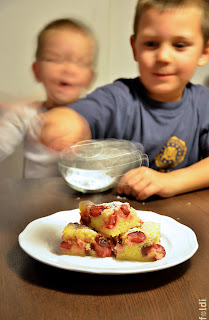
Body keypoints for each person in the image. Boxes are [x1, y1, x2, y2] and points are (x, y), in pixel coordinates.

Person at [40, 0, 209, 201]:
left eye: (180, 45)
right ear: (134, 47)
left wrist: (172, 181)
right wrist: (62, 123)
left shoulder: (204, 103)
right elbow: (73, 116)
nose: (163, 56)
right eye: (151, 44)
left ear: (204, 52)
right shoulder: (118, 97)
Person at [0, 18, 96, 178]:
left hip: (84, 201)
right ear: (37, 71)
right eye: (54, 59)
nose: (68, 69)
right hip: (35, 201)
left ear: (90, 77)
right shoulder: (27, 114)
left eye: (80, 62)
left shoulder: (98, 115)